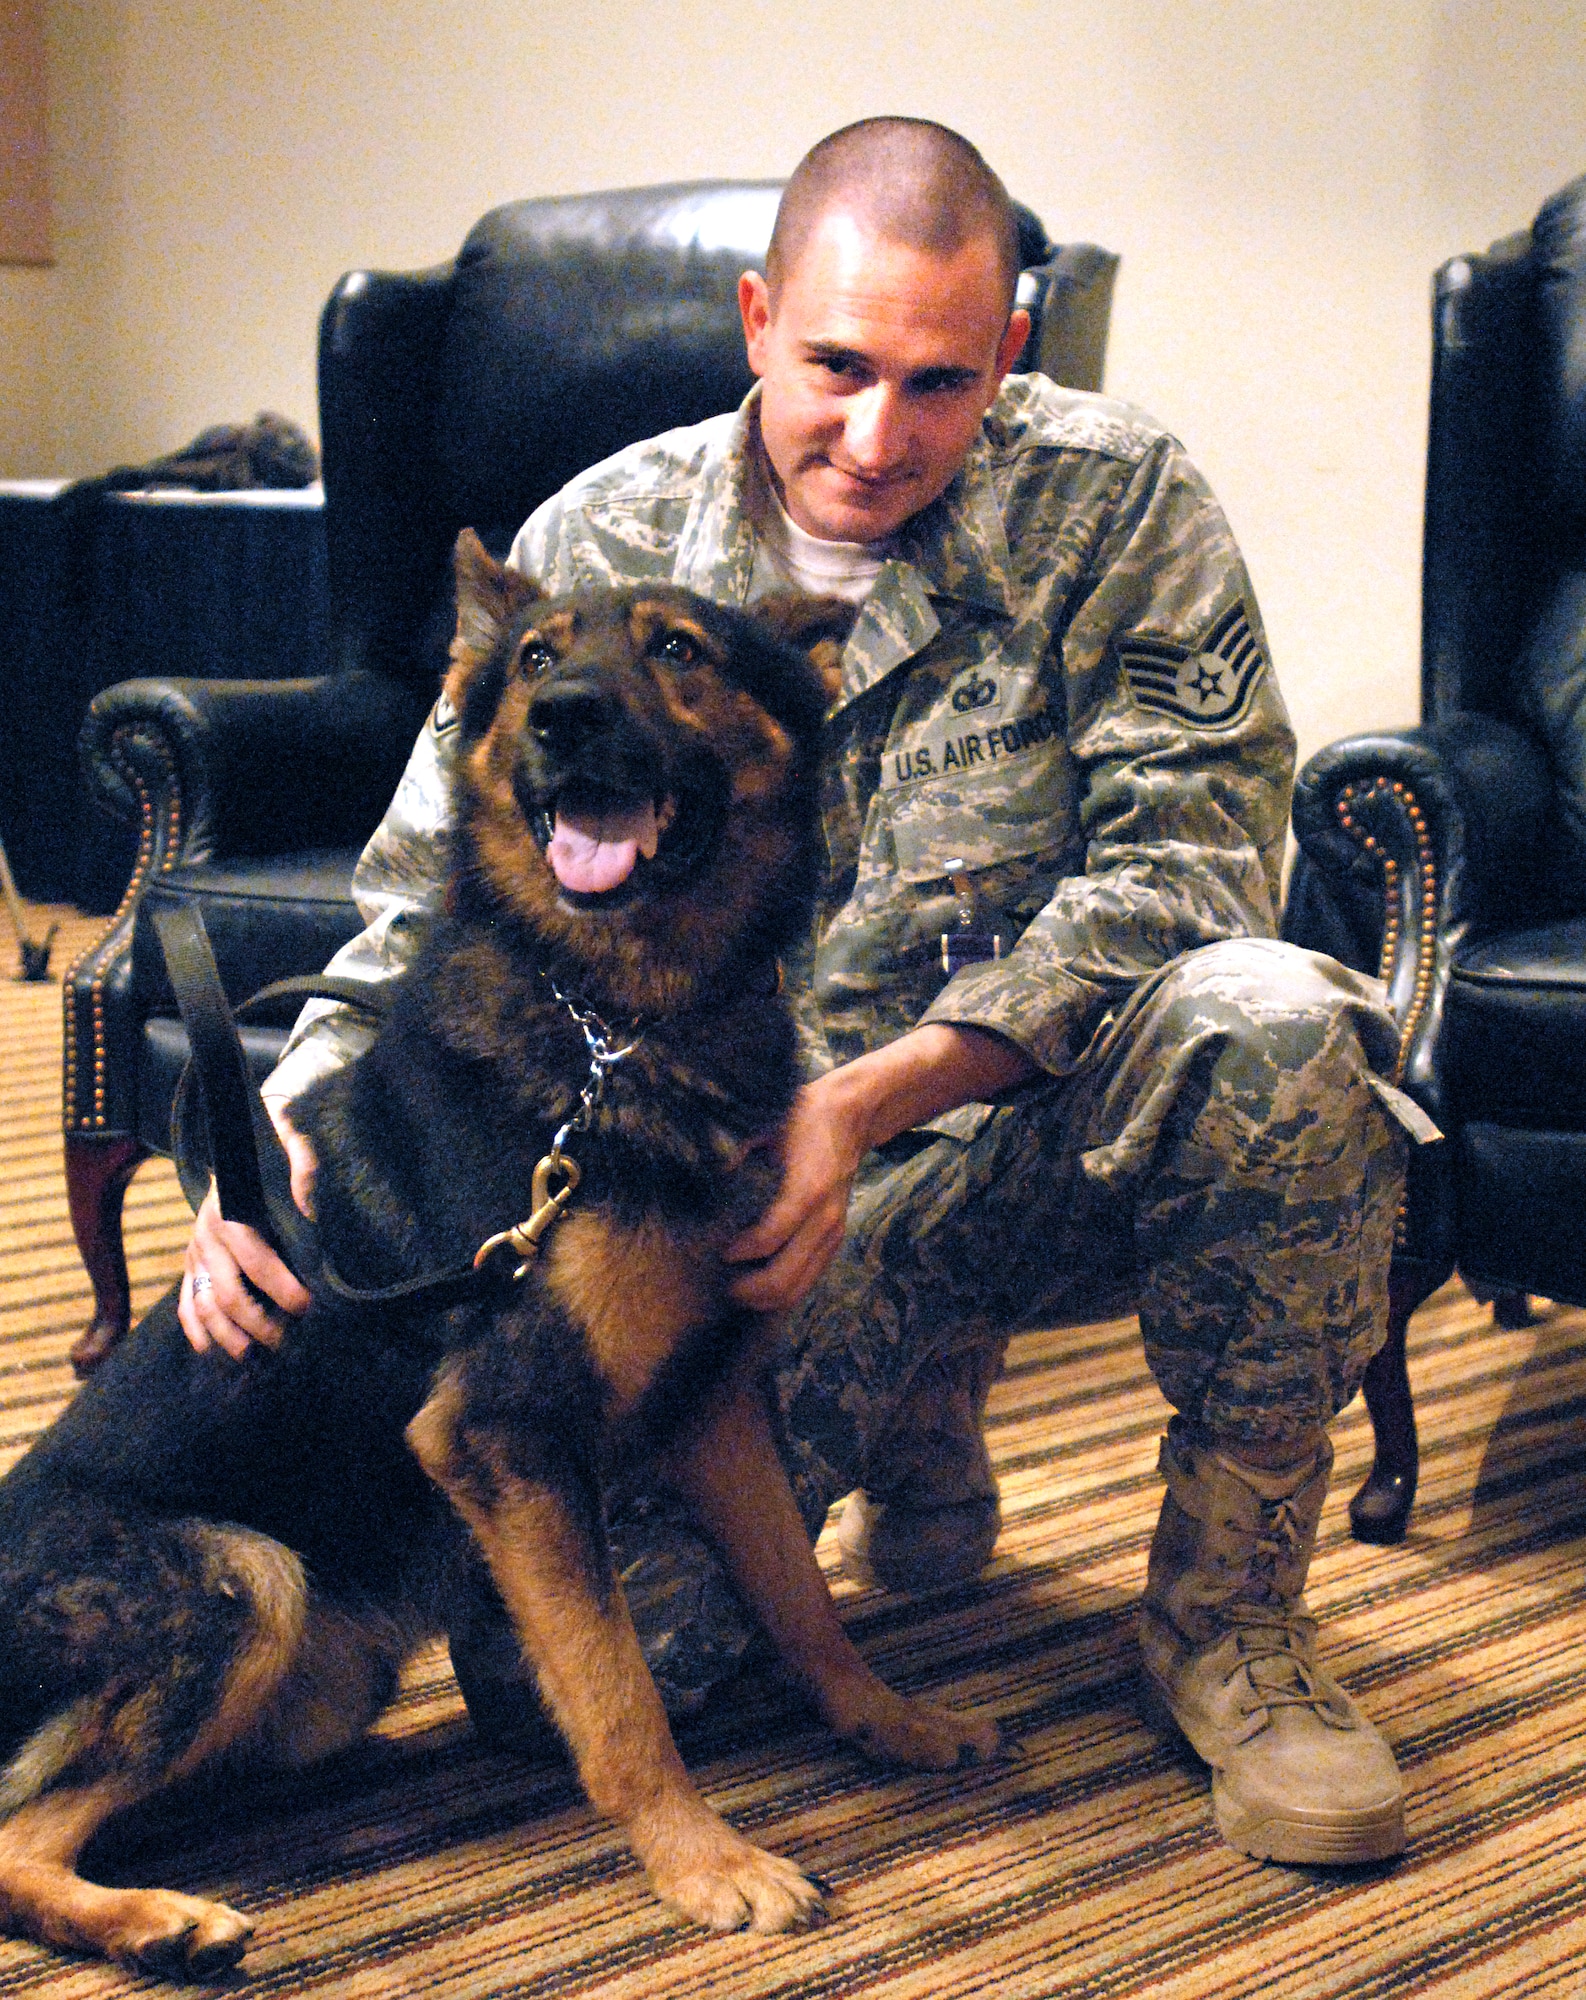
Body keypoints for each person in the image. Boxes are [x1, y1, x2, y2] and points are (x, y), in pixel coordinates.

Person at [177, 118, 1422, 1867]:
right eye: (834, 366)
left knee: (1280, 1015)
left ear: (1008, 348)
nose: (874, 433)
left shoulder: (1121, 502)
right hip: (712, 1221)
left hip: (1001, 1138)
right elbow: (411, 905)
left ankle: (1234, 1627)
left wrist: (861, 1101)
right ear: (759, 320)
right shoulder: (602, 532)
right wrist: (269, 1169)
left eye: (936, 380)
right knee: (561, 1696)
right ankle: (901, 1416)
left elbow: (1196, 861)